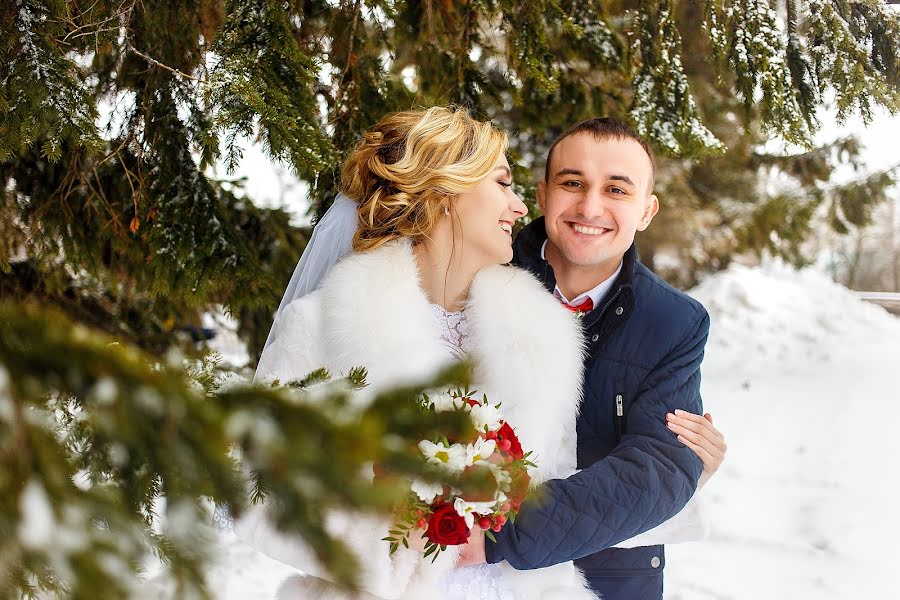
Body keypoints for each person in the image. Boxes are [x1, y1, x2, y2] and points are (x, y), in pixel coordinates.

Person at [234, 107, 722, 600]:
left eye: (617, 188)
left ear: (646, 208)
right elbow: (256, 497)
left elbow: (560, 477)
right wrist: (410, 533)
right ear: (446, 195)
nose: (516, 208)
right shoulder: (321, 328)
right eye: (503, 184)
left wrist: (681, 470)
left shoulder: (542, 337)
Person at [456, 117, 725, 599]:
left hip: (612, 577)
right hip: (471, 573)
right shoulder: (478, 275)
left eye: (617, 190)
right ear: (541, 194)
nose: (591, 206)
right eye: (572, 183)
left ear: (647, 209)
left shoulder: (674, 322)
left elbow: (657, 467)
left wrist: (505, 533)